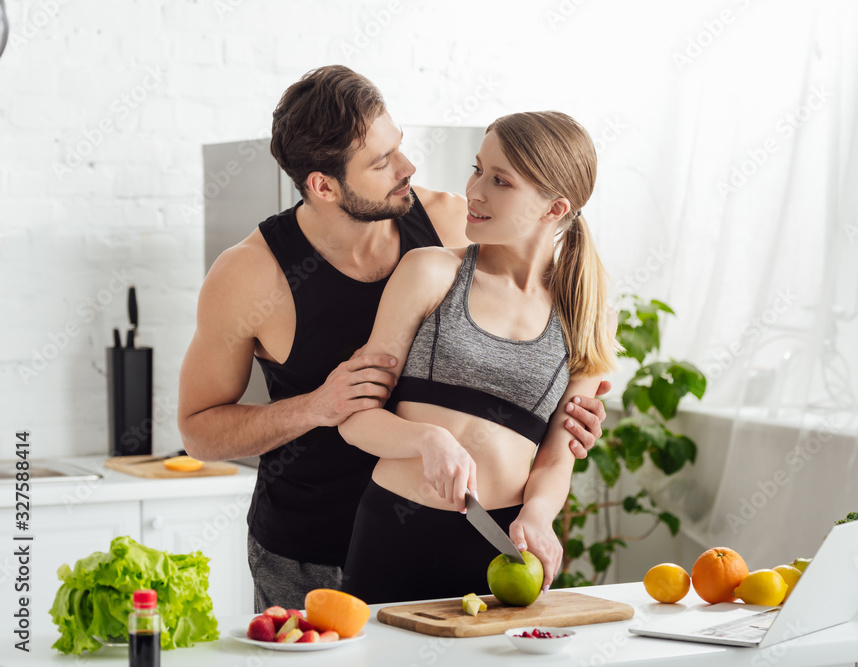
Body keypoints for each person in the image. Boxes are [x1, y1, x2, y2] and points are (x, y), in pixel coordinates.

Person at [176, 66, 611, 613]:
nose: (409, 168)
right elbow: (199, 431)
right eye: (381, 163)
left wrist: (565, 419)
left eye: (398, 147)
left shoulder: (457, 222)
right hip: (311, 547)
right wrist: (315, 407)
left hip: (462, 532)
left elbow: (518, 356)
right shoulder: (248, 276)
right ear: (323, 185)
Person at [338, 111, 620, 604]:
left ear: (554, 208)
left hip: (502, 551)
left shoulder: (586, 314)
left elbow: (558, 455)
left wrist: (538, 514)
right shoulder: (430, 272)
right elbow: (355, 419)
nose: (474, 191)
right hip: (392, 534)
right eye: (477, 169)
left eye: (500, 181)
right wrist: (426, 439)